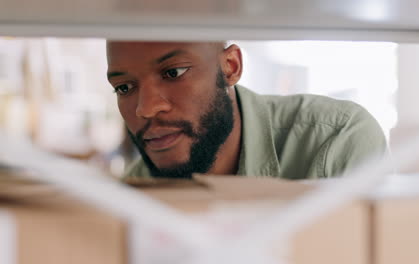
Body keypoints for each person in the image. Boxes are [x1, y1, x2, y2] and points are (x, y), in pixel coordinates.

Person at [106, 41, 387, 179]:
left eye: (174, 72)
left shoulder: (336, 139)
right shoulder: (134, 189)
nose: (145, 109)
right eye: (124, 88)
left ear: (231, 67)